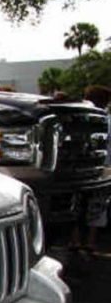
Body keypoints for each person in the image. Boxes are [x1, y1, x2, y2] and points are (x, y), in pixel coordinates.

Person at [69, 85, 110, 252]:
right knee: (98, 206)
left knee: (75, 205)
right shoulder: (106, 120)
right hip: (103, 169)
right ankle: (91, 241)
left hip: (77, 169)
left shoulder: (78, 119)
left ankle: (75, 240)